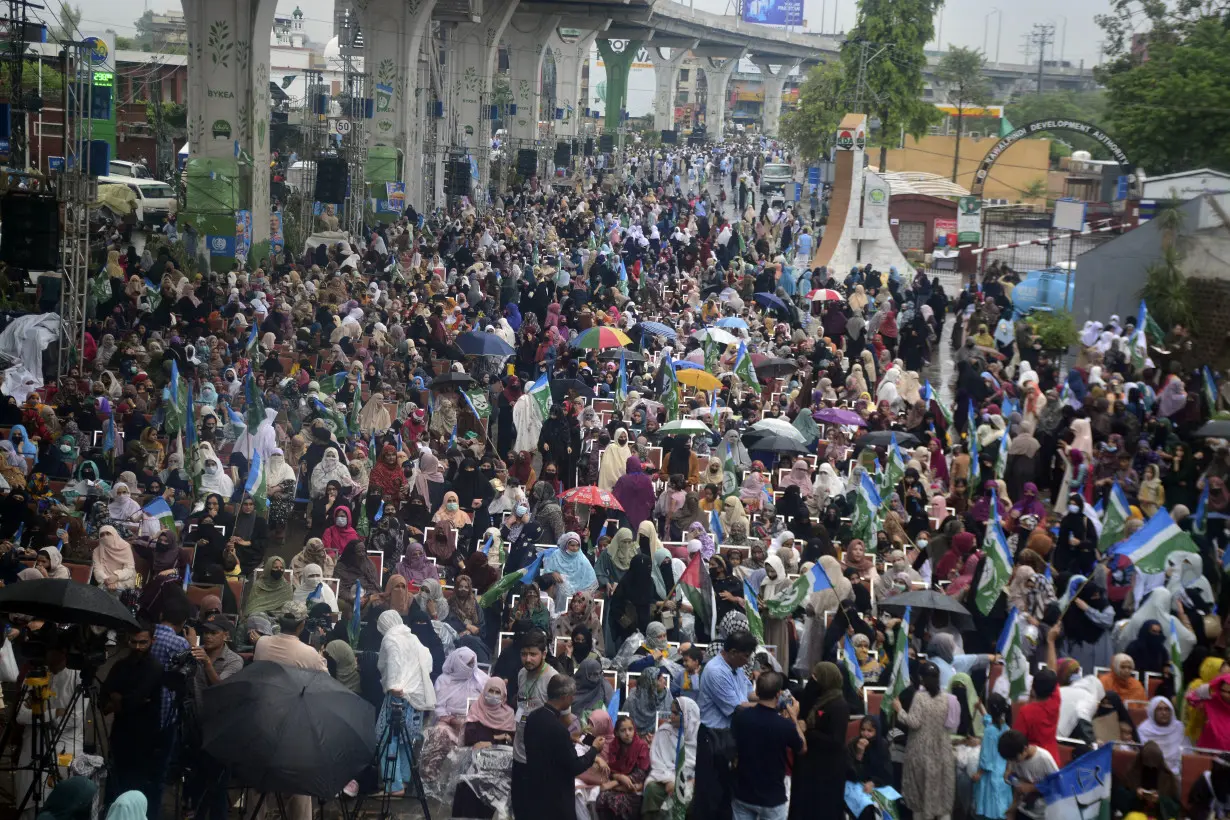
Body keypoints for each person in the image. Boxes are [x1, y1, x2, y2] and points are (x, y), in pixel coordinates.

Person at [516, 674, 604, 819]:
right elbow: (575, 766)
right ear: (565, 697)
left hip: (534, 790)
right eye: (572, 695)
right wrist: (594, 749)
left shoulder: (533, 717)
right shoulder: (558, 729)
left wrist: (569, 739)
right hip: (556, 798)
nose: (573, 699)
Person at [101, 621, 165, 813]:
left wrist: (119, 699)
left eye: (143, 643)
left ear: (152, 641)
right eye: (134, 642)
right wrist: (120, 700)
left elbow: (134, 700)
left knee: (136, 788)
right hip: (121, 734)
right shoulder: (121, 666)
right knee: (115, 783)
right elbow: (103, 697)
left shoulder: (154, 667)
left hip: (144, 739)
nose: (137, 647)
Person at [694, 629, 756, 820]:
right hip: (713, 737)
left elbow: (748, 694)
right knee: (712, 794)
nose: (747, 661)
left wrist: (771, 696)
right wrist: (768, 707)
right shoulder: (716, 671)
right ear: (733, 652)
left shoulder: (736, 668)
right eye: (745, 656)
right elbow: (738, 707)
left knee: (727, 792)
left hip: (728, 735)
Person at [375, 608, 436, 795]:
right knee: (406, 739)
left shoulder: (391, 638)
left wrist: (394, 684)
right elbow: (428, 658)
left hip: (398, 695)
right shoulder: (411, 637)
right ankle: (404, 778)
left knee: (387, 738)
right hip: (415, 696)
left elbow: (393, 661)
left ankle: (393, 785)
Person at [730, 670, 804, 820]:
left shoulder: (741, 717)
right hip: (773, 798)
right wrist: (794, 719)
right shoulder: (784, 725)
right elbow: (802, 748)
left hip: (744, 792)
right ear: (778, 694)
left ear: (757, 691)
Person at [894, 661, 957, 820]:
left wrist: (899, 710)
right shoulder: (945, 697)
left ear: (921, 678)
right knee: (940, 796)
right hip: (942, 749)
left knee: (920, 798)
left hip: (921, 751)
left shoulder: (920, 697)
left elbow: (914, 722)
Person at [789, 662, 848, 820]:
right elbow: (806, 700)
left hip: (827, 768)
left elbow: (835, 741)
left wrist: (808, 731)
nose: (812, 680)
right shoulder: (820, 697)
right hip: (812, 763)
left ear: (826, 679)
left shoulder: (838, 705)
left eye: (816, 677)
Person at [643, 698, 700, 819]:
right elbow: (657, 760)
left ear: (686, 714)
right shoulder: (665, 731)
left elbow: (699, 764)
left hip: (690, 779)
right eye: (671, 712)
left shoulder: (699, 733)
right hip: (664, 777)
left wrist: (680, 781)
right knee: (652, 790)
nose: (671, 716)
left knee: (686, 793)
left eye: (675, 713)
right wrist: (669, 780)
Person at [596, 715, 651, 820]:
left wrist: (615, 782)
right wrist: (620, 778)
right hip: (619, 786)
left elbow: (641, 773)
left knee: (618, 803)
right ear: (616, 733)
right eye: (623, 730)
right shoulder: (614, 746)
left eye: (630, 729)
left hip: (634, 785)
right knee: (602, 799)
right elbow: (610, 768)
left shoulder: (641, 746)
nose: (627, 733)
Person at [997, 729, 1059, 819]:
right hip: (1023, 810)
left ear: (1025, 749)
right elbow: (1018, 787)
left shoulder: (1044, 758)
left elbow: (1057, 785)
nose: (1013, 762)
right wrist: (1013, 809)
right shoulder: (1015, 757)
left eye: (1014, 759)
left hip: (1043, 814)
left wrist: (1031, 787)